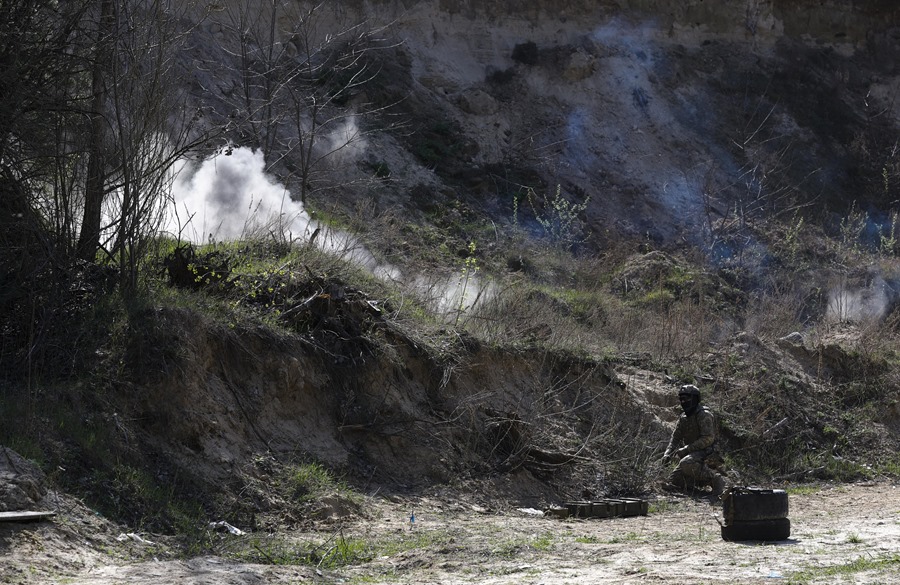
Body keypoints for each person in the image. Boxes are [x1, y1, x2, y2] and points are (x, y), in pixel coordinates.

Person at [661, 384, 729, 497]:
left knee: (686, 463)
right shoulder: (684, 417)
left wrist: (687, 449)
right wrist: (667, 453)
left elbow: (708, 438)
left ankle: (716, 479)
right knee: (675, 480)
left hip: (708, 453)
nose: (683, 401)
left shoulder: (704, 415)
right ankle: (698, 484)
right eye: (681, 398)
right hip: (693, 453)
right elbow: (676, 437)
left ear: (695, 399)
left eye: (687, 398)